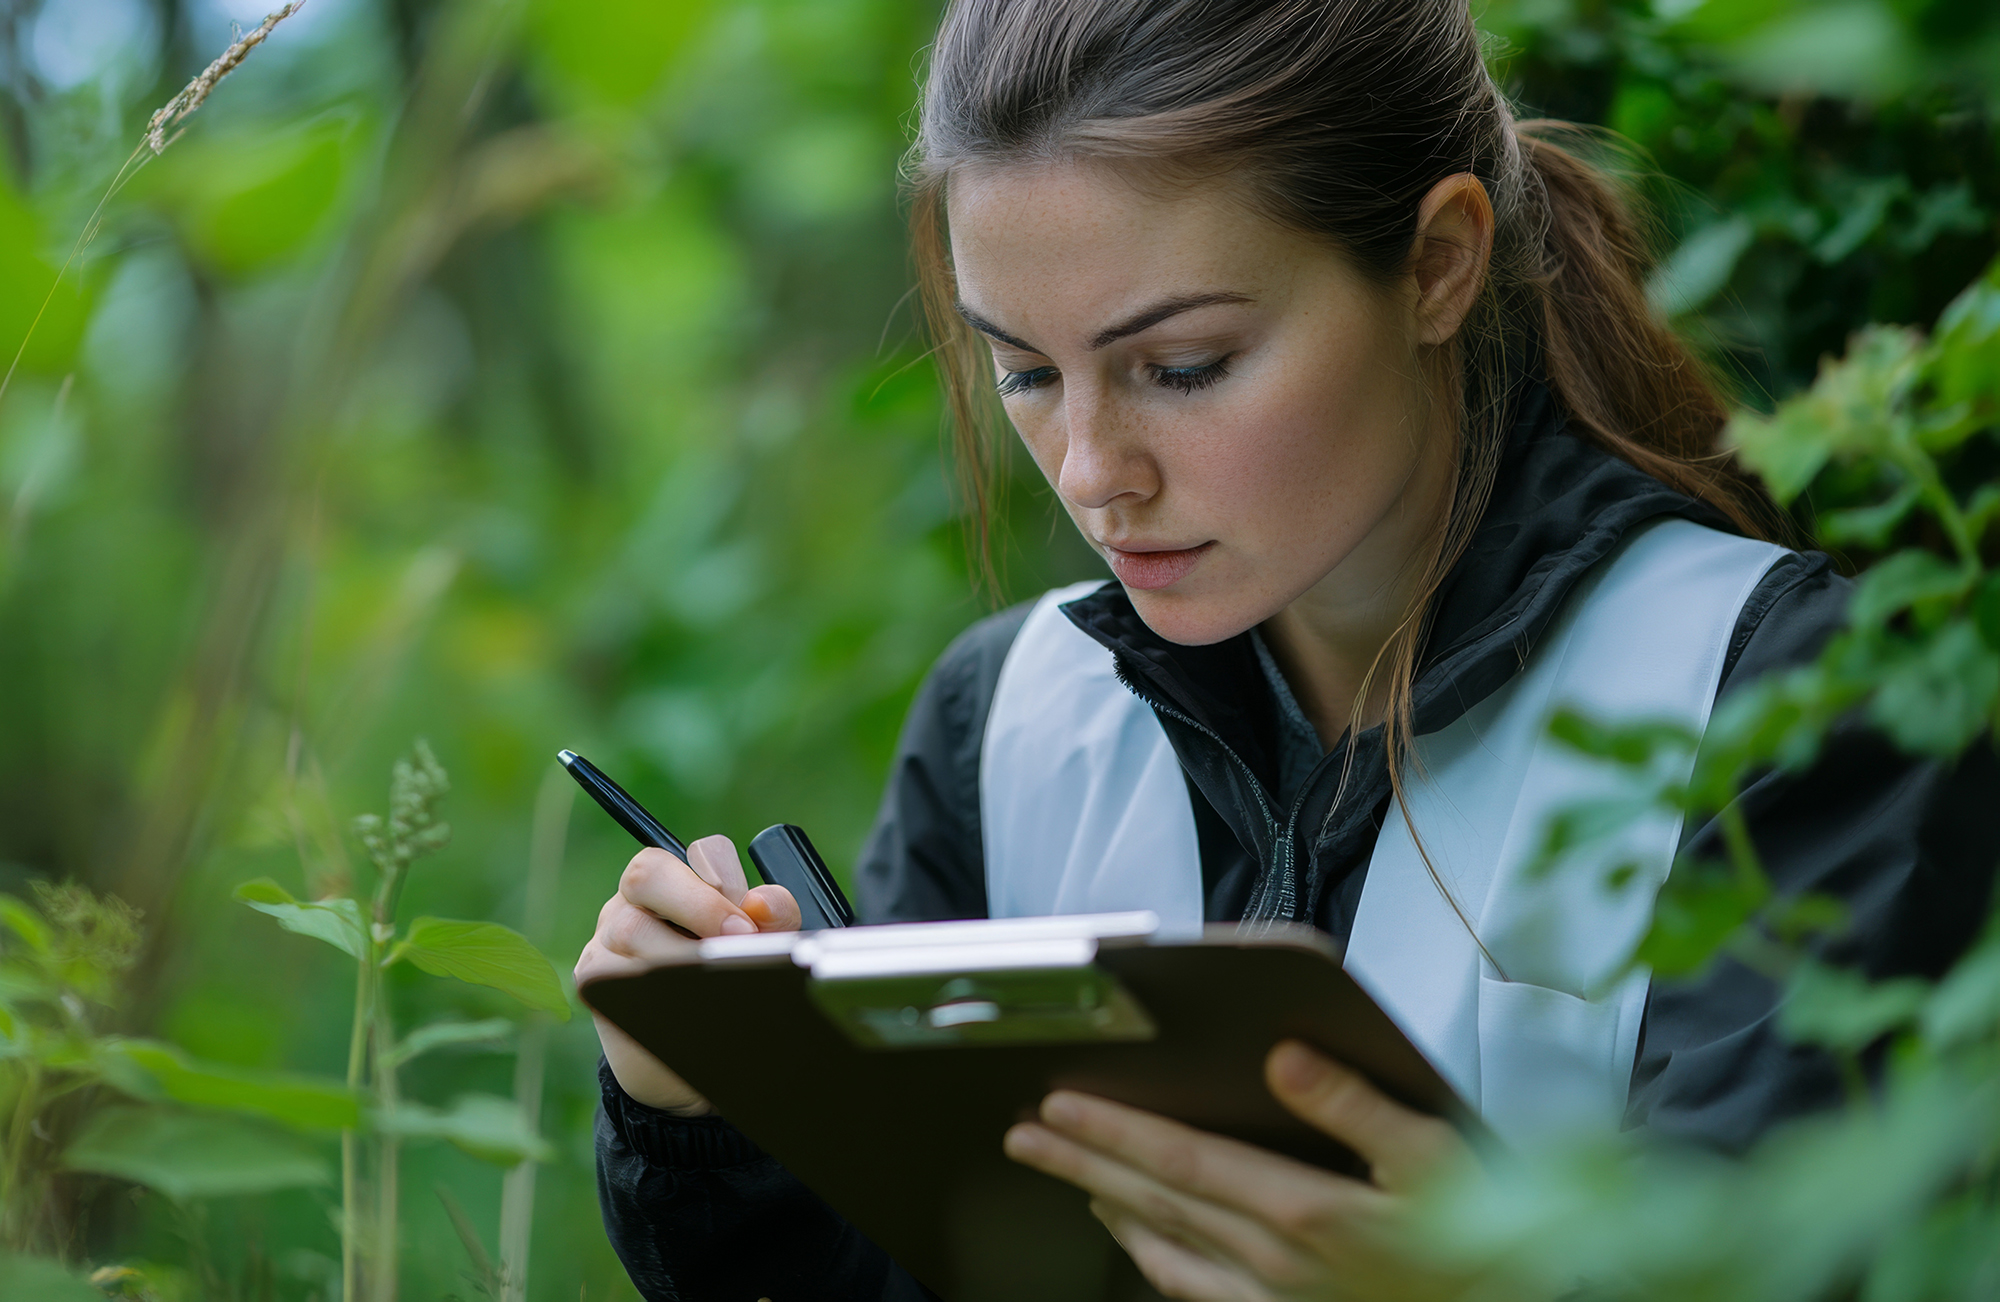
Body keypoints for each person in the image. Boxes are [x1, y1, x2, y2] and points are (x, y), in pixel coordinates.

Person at [572, 0, 2000, 1298]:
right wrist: (702, 1110)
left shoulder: (1771, 702)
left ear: (1436, 265)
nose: (1091, 472)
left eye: (1182, 366)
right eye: (1025, 371)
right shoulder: (1007, 726)